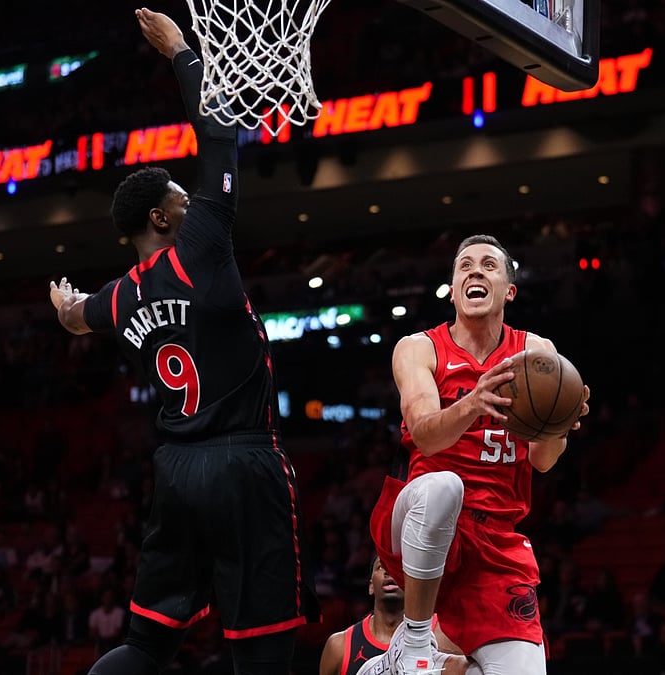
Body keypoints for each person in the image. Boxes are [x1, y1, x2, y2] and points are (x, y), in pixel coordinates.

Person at [48, 8, 317, 675]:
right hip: (243, 461)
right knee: (262, 649)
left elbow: (78, 318)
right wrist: (180, 51)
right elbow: (218, 133)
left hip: (177, 472)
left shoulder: (118, 299)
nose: (191, 202)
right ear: (162, 218)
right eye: (180, 199)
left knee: (147, 645)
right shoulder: (200, 245)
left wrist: (64, 305)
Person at [362, 235, 590, 674]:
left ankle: (401, 668)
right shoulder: (419, 348)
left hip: (494, 543)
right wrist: (472, 402)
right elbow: (425, 436)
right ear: (452, 289)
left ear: (509, 290)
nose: (475, 271)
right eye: (464, 266)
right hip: (416, 521)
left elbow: (543, 460)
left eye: (488, 265)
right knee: (444, 487)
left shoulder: (537, 353)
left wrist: (558, 426)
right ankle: (413, 645)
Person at [320, 556, 466, 675]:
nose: (388, 571)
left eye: (398, 566)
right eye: (381, 566)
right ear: (371, 586)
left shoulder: (445, 634)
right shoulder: (339, 646)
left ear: (415, 581)